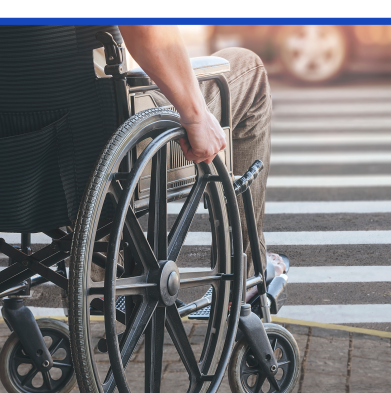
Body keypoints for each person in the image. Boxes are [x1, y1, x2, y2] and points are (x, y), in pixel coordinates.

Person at [109, 25, 287, 298]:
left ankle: (99, 275)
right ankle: (246, 274)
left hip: (36, 152)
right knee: (249, 69)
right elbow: (146, 29)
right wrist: (196, 115)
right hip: (120, 135)